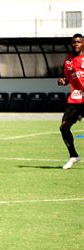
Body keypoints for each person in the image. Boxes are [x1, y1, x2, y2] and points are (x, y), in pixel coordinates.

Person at [58, 33, 84, 170]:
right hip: (76, 99)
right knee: (64, 127)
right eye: (74, 42)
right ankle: (73, 156)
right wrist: (63, 81)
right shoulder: (68, 60)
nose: (76, 44)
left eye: (79, 42)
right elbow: (68, 77)